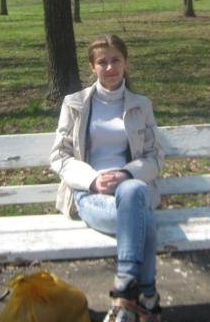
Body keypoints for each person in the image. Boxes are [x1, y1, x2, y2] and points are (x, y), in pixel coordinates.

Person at [50, 34, 164, 322]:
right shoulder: (74, 104)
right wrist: (92, 180)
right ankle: (146, 298)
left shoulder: (141, 105)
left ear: (126, 63)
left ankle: (126, 291)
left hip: (131, 189)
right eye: (103, 62)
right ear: (92, 66)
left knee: (132, 191)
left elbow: (154, 157)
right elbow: (59, 156)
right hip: (90, 194)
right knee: (145, 221)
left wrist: (126, 173)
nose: (110, 68)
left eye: (116, 60)